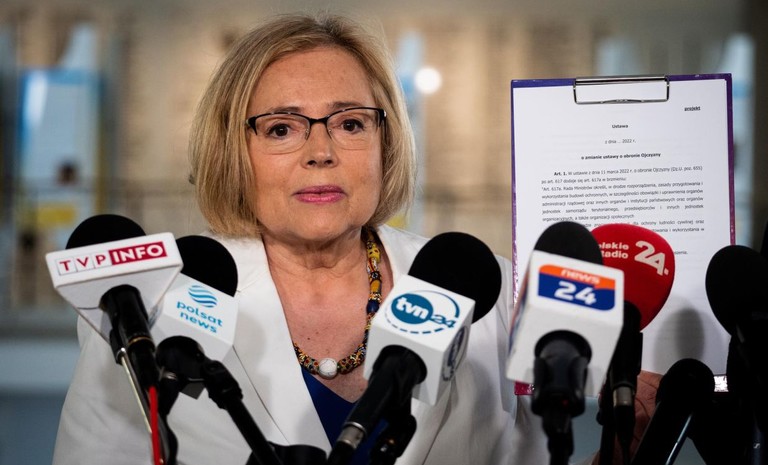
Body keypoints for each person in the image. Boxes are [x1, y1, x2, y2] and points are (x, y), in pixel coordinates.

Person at [53, 13, 656, 465]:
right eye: (282, 128)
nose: (321, 152)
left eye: (349, 123)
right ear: (233, 151)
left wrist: (619, 454)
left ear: (385, 144)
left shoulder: (482, 288)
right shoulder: (149, 306)